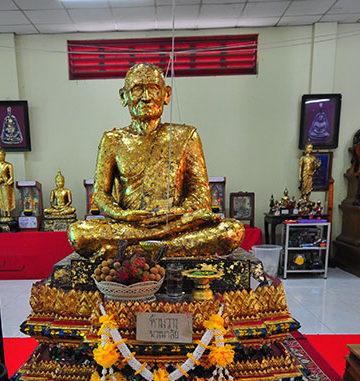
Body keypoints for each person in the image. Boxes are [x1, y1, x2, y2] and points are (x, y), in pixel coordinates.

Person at [68, 63, 244, 258]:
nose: (146, 97)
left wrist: (171, 216)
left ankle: (133, 251)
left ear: (166, 94)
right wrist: (122, 214)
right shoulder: (113, 140)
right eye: (137, 89)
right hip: (131, 226)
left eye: (153, 88)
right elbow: (100, 194)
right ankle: (164, 248)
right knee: (78, 234)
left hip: (174, 224)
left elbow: (201, 197)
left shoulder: (185, 136)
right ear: (124, 96)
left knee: (231, 231)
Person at [0, 147, 15, 217]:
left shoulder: (8, 165)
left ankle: (9, 214)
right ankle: (4, 213)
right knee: (1, 199)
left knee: (7, 199)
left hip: (6, 185)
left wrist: (7, 183)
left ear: (4, 155)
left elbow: (12, 177)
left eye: (1, 155)